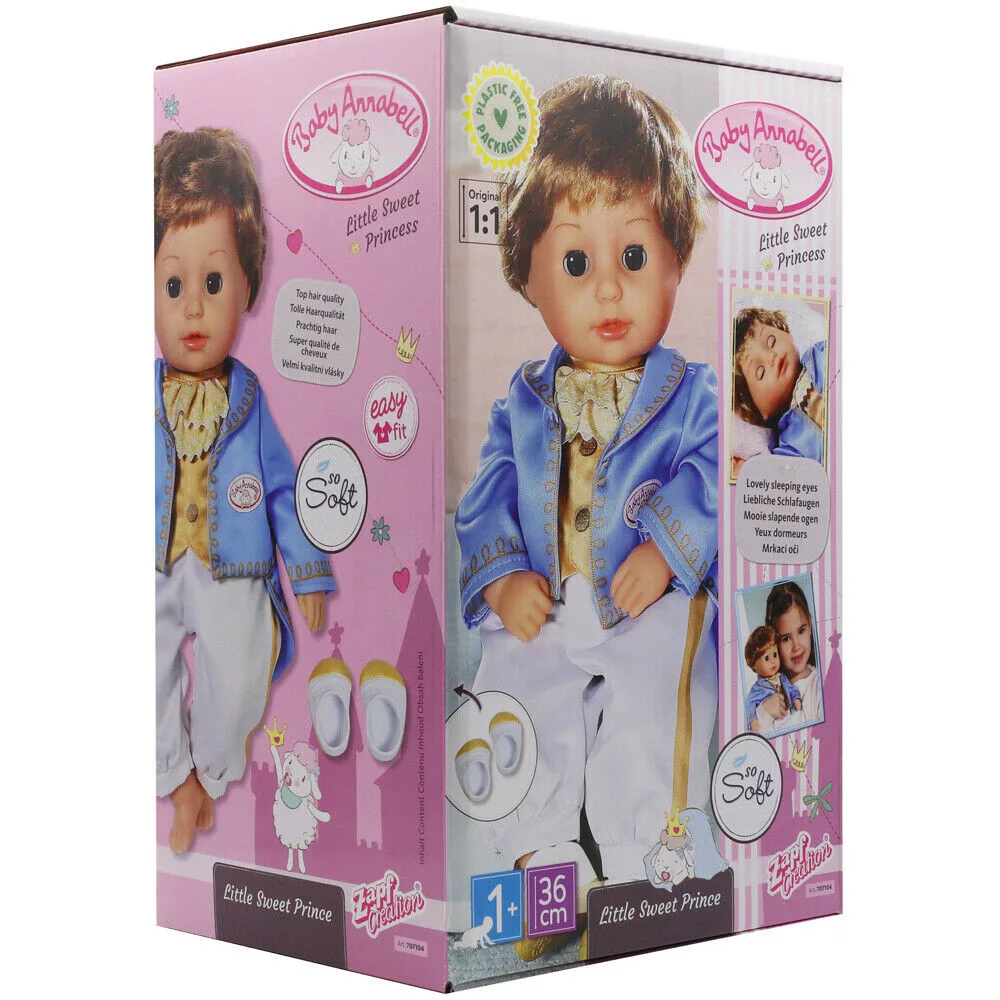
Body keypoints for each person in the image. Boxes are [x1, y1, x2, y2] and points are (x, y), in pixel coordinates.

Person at [455, 77, 719, 957]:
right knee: (513, 685)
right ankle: (544, 864)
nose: (607, 287)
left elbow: (713, 475)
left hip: (645, 597)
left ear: (677, 258)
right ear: (528, 273)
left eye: (634, 256)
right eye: (575, 263)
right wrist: (503, 577)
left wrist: (668, 550)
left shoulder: (690, 395)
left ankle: (648, 868)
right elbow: (486, 497)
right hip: (550, 590)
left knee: (656, 690)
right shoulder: (521, 403)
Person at [154, 127, 335, 854]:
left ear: (248, 288)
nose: (193, 309)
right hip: (151, 563)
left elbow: (286, 491)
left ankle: (210, 769)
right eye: (173, 286)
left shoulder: (250, 401)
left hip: (235, 567)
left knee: (238, 673)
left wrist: (308, 567)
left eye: (214, 283)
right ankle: (176, 779)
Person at [731, 306, 826, 473]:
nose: (771, 356)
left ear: (786, 332)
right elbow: (781, 478)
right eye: (760, 372)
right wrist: (742, 470)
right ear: (756, 410)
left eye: (771, 341)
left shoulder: (822, 352)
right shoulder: (791, 444)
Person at [743, 624, 801, 734]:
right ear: (754, 665)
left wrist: (796, 698)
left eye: (775, 655)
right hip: (772, 724)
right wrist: (753, 719)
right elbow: (750, 703)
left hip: (788, 717)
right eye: (766, 658)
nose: (773, 661)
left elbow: (791, 689)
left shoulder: (782, 678)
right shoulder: (757, 688)